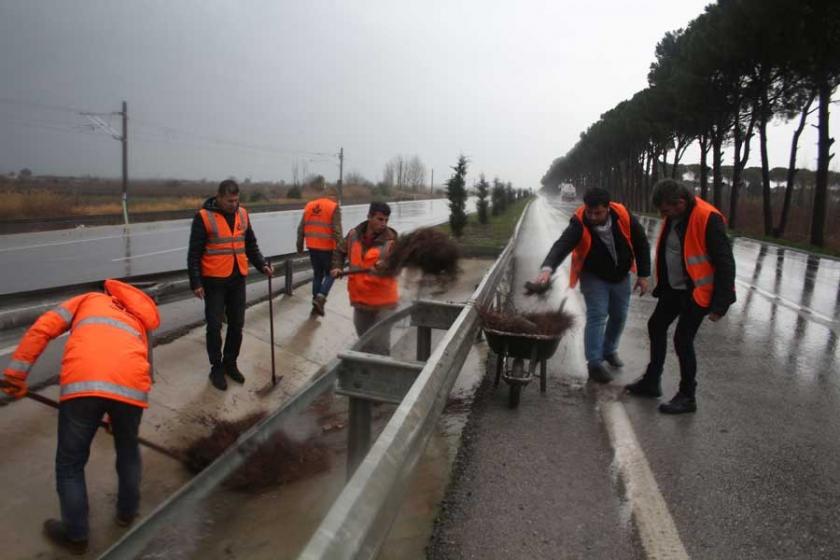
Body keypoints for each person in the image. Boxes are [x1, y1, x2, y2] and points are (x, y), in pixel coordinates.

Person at [1, 279, 160, 555]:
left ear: (107, 291)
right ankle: (126, 512)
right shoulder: (138, 318)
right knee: (128, 450)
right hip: (132, 390)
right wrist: (117, 418)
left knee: (70, 463)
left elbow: (42, 329)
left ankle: (76, 534)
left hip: (83, 385)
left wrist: (15, 375)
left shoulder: (88, 299)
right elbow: (144, 367)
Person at [625, 179, 736, 414]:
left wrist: (721, 303)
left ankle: (688, 396)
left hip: (698, 292)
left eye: (665, 210)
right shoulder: (675, 218)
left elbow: (725, 262)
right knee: (656, 325)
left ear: (680, 203)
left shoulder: (708, 218)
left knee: (682, 340)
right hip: (675, 289)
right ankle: (652, 381)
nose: (662, 215)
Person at [532, 187, 650, 383]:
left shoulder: (623, 215)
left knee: (619, 315)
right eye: (590, 212)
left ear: (608, 209)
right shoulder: (579, 222)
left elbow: (641, 243)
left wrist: (644, 275)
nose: (593, 216)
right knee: (598, 315)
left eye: (598, 213)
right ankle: (594, 363)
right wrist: (547, 268)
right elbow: (562, 245)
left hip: (621, 274)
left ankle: (609, 350)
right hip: (593, 275)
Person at [187, 179, 272, 391]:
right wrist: (196, 282)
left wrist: (262, 264)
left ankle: (230, 362)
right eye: (229, 201)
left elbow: (250, 244)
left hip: (237, 278)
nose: (234, 204)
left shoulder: (243, 214)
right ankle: (216, 367)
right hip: (214, 281)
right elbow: (194, 253)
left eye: (236, 200)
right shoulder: (204, 217)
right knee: (214, 326)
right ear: (219, 196)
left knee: (237, 324)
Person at [330, 201, 398, 355]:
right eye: (380, 219)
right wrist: (337, 267)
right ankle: (368, 374)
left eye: (386, 220)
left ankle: (383, 376)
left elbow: (399, 263)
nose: (384, 224)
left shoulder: (392, 239)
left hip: (384, 303)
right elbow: (339, 251)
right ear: (369, 216)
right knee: (365, 344)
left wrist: (386, 265)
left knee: (381, 346)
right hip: (361, 301)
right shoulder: (353, 235)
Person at [297, 185, 343, 316]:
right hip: (327, 247)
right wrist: (341, 249)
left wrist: (299, 246)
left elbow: (301, 228)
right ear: (335, 197)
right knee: (331, 274)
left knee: (317, 275)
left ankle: (315, 302)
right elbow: (337, 231)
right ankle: (320, 297)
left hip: (312, 246)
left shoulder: (310, 206)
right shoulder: (334, 207)